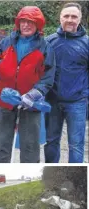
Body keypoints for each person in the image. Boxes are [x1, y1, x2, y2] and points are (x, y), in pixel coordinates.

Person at [0, 6, 55, 163]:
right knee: (1, 143)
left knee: (30, 145)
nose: (26, 25)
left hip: (31, 103)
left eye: (31, 22)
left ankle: (29, 174)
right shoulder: (5, 43)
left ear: (38, 24)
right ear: (18, 23)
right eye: (23, 21)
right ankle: (1, 171)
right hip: (4, 101)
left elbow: (48, 76)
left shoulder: (45, 47)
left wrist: (33, 94)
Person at [44, 2, 88, 163]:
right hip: (52, 102)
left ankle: (75, 180)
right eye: (66, 16)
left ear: (80, 19)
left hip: (77, 102)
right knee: (51, 142)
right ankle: (53, 175)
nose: (70, 19)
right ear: (60, 18)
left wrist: (85, 94)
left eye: (74, 16)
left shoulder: (87, 43)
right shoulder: (48, 42)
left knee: (76, 145)